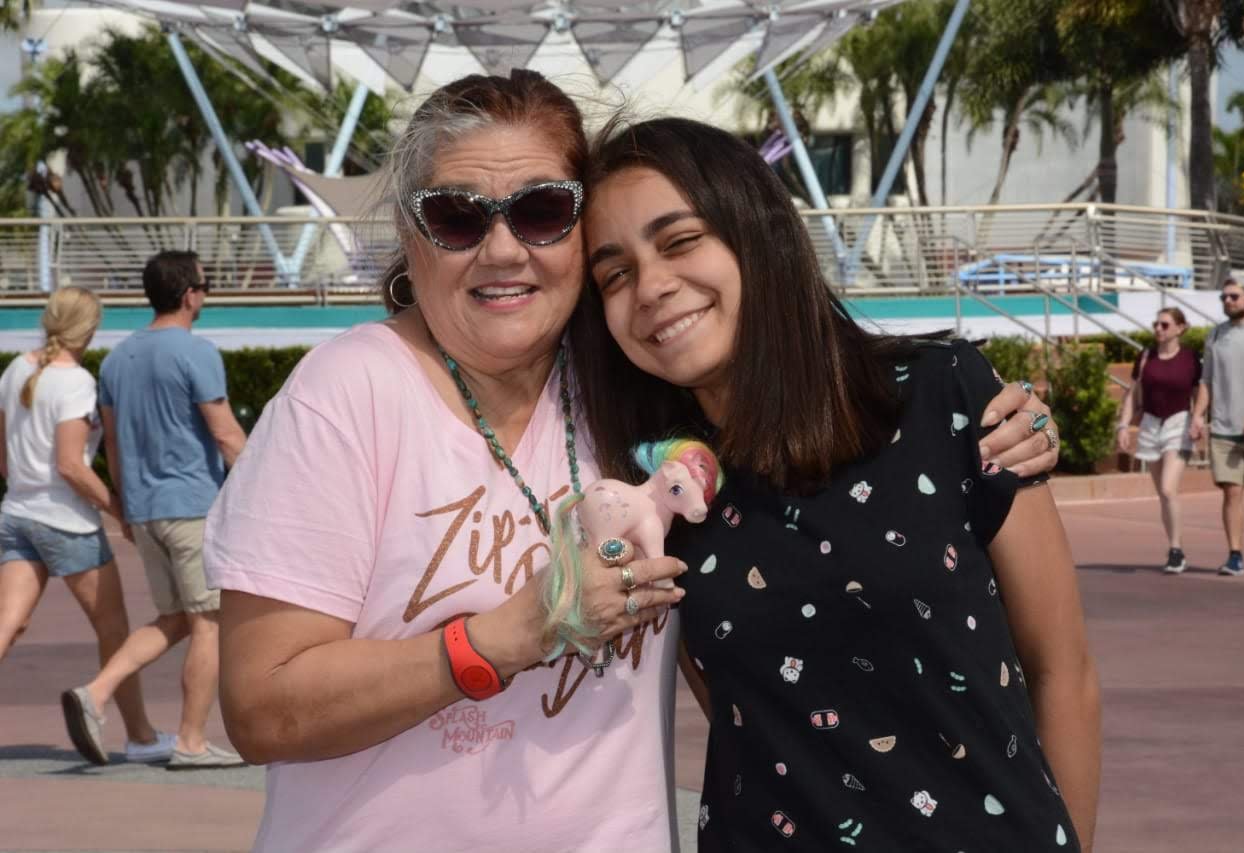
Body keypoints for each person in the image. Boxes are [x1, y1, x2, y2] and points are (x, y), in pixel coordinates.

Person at [202, 71, 1058, 852]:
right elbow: (261, 704)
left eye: (541, 211)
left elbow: (816, 429)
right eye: (458, 216)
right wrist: (503, 637)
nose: (503, 250)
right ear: (411, 232)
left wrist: (980, 420)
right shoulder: (347, 394)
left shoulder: (637, 397)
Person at [571, 116, 1100, 851]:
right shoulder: (658, 495)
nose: (652, 286)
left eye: (681, 240)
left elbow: (1062, 672)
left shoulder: (945, 396)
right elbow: (737, 714)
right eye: (614, 274)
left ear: (756, 233)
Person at [60, 251, 247, 770]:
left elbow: (113, 446)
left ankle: (95, 692)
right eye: (205, 287)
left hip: (144, 511)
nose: (205, 296)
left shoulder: (118, 359)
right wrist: (268, 487)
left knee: (176, 618)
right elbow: (226, 433)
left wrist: (123, 506)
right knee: (208, 619)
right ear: (189, 294)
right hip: (191, 506)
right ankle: (190, 741)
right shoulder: (196, 352)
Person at [0, 287, 171, 765]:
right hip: (65, 523)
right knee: (114, 629)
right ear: (88, 327)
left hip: (16, 515)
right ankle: (139, 736)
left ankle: (139, 733)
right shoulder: (74, 382)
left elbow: (3, 453)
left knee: (7, 625)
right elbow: (72, 466)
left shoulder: (16, 369)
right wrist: (118, 509)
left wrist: (24, 486)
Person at [1189, 277, 1244, 576]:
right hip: (1225, 430)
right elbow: (1206, 381)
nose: (1228, 301)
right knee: (1232, 492)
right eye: (1224, 297)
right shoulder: (1216, 335)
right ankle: (1235, 555)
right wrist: (1198, 416)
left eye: (1234, 296)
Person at [1115, 308, 1201, 574]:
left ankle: (1175, 550)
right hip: (1151, 424)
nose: (1159, 329)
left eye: (1165, 324)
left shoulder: (1190, 359)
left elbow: (1200, 392)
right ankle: (1175, 546)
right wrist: (1123, 425)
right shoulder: (1145, 356)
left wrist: (1198, 419)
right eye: (1156, 324)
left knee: (1167, 489)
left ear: (1180, 328)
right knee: (1164, 497)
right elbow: (1132, 393)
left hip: (1180, 423)